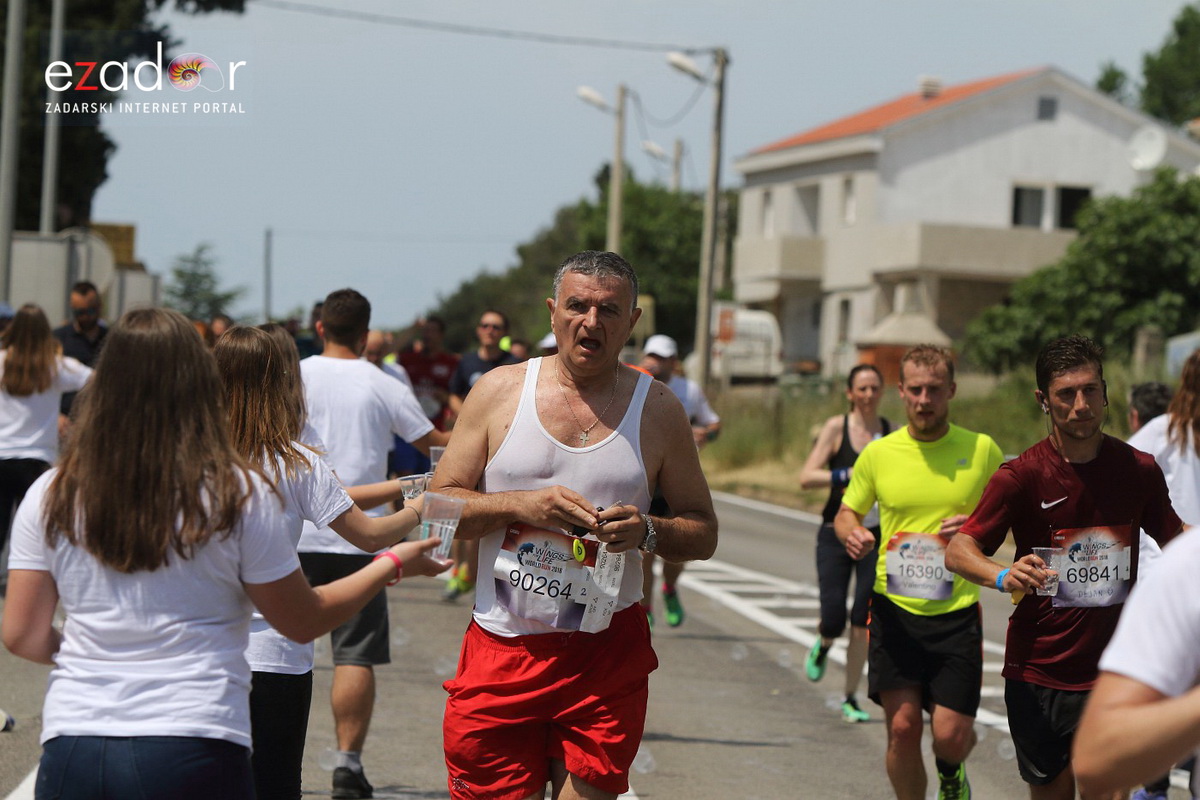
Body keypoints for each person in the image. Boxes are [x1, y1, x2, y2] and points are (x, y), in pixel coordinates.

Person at [0, 308, 449, 800]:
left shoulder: (50, 491)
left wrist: (97, 652)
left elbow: (21, 634)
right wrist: (398, 558)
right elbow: (303, 617)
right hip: (194, 733)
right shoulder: (237, 490)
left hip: (76, 738)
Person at [434, 250, 718, 800]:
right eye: (577, 306)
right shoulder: (498, 391)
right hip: (503, 650)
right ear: (552, 312)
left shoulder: (658, 410)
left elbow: (703, 531)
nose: (591, 322)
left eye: (610, 310)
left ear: (632, 322)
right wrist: (521, 505)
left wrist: (648, 532)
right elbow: (438, 510)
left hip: (606, 653)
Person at [216, 326, 449, 800]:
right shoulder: (295, 461)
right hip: (275, 659)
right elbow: (368, 535)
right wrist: (417, 509)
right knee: (275, 784)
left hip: (204, 654)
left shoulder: (187, 459)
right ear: (281, 383)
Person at [943, 335, 1180, 800]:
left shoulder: (1139, 470)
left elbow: (1178, 541)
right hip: (1039, 671)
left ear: (1106, 393)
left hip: (1116, 670)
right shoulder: (1021, 476)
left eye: (1090, 390)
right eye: (1066, 394)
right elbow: (959, 549)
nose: (1081, 405)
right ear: (1043, 401)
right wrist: (1002, 574)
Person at [297, 288, 450, 800]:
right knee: (354, 656)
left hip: (291, 532)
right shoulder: (382, 382)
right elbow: (436, 444)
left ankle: (271, 760)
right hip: (359, 537)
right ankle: (346, 765)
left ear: (320, 328)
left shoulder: (293, 375)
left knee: (278, 653)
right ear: (366, 336)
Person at [835, 344, 1003, 800]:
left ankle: (952, 772)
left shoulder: (982, 449)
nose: (924, 399)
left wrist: (974, 530)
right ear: (902, 392)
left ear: (951, 390)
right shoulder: (879, 453)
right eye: (915, 390)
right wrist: (851, 533)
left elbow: (1009, 518)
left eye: (934, 389)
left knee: (949, 737)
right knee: (903, 728)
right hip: (894, 610)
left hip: (957, 614)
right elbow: (847, 512)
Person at [798, 363, 891, 723]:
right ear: (850, 394)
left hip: (876, 536)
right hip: (835, 533)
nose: (868, 395)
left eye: (874, 388)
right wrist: (846, 474)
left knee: (861, 620)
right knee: (835, 617)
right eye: (862, 389)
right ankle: (823, 643)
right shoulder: (837, 428)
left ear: (882, 393)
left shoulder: (892, 433)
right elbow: (807, 476)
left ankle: (851, 696)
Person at [637, 333, 722, 628]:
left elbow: (714, 424)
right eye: (651, 356)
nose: (654, 362)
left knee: (676, 550)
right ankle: (645, 611)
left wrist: (704, 435)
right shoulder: (637, 386)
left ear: (673, 362)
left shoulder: (689, 390)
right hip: (647, 481)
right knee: (644, 551)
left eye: (661, 358)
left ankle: (670, 588)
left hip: (678, 482)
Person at [0, 305, 91, 567]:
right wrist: (72, 415)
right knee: (38, 530)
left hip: (2, 454)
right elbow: (96, 380)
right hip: (37, 458)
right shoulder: (56, 365)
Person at [442, 309, 519, 602]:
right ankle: (459, 570)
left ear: (503, 333)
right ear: (478, 330)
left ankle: (476, 571)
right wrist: (469, 416)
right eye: (485, 325)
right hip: (468, 441)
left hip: (500, 443)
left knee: (488, 505)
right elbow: (452, 393)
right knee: (458, 502)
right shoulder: (467, 362)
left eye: (496, 326)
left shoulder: (513, 364)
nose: (490, 330)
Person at [395, 316, 458, 477]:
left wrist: (446, 398)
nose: (427, 335)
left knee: (430, 478)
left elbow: (457, 394)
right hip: (407, 432)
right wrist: (412, 328)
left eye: (432, 331)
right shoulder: (408, 359)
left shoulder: (451, 363)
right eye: (424, 331)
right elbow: (388, 349)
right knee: (404, 480)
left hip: (435, 430)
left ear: (441, 335)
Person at [51, 281, 106, 426]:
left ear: (100, 307)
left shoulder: (112, 340)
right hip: (65, 423)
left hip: (101, 420)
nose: (86, 317)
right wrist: (56, 416)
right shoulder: (57, 339)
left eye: (91, 311)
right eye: (80, 312)